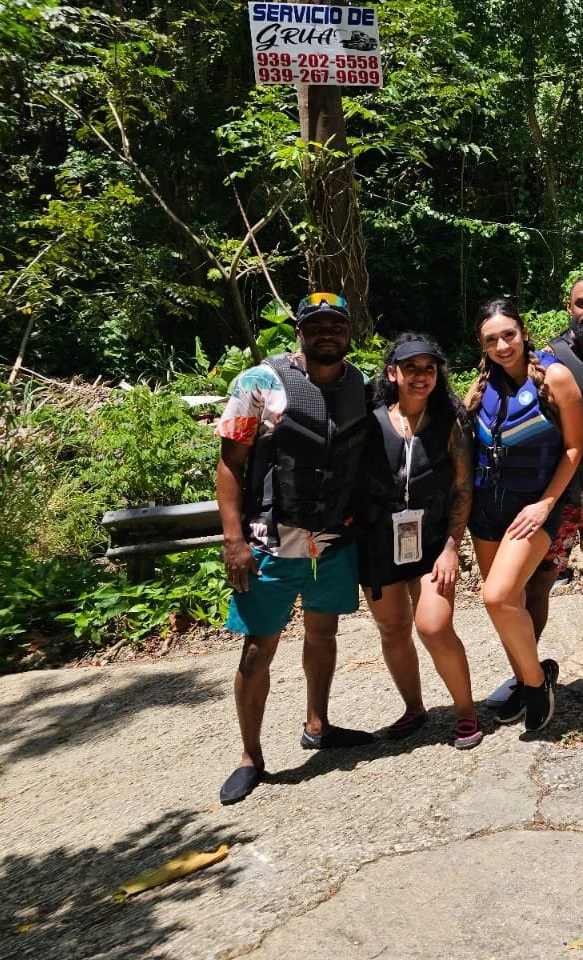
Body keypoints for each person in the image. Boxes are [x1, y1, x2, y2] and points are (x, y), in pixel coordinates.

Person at [214, 291, 374, 805]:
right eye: (316, 324)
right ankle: (250, 756)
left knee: (323, 631)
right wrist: (233, 540)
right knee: (259, 648)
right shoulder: (259, 383)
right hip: (269, 537)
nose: (327, 332)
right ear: (300, 330)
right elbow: (230, 463)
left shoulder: (361, 385)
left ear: (349, 332)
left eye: (336, 325)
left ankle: (318, 723)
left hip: (331, 535)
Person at [485, 278, 583, 708]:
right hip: (559, 488)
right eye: (581, 303)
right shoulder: (548, 358)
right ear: (568, 306)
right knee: (538, 582)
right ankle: (527, 673)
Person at [356, 333, 482, 750]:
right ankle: (414, 708)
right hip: (379, 543)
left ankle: (466, 712)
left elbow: (463, 489)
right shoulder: (369, 421)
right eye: (411, 368)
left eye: (429, 368)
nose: (421, 376)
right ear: (392, 373)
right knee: (392, 629)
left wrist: (452, 547)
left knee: (433, 625)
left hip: (431, 543)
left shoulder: (451, 422)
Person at [465, 297, 583, 733]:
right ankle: (525, 676)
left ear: (524, 331)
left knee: (497, 596)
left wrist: (545, 504)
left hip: (533, 510)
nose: (502, 346)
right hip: (486, 511)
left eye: (508, 335)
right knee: (505, 605)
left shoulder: (555, 377)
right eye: (491, 340)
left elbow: (574, 448)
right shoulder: (481, 386)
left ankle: (536, 684)